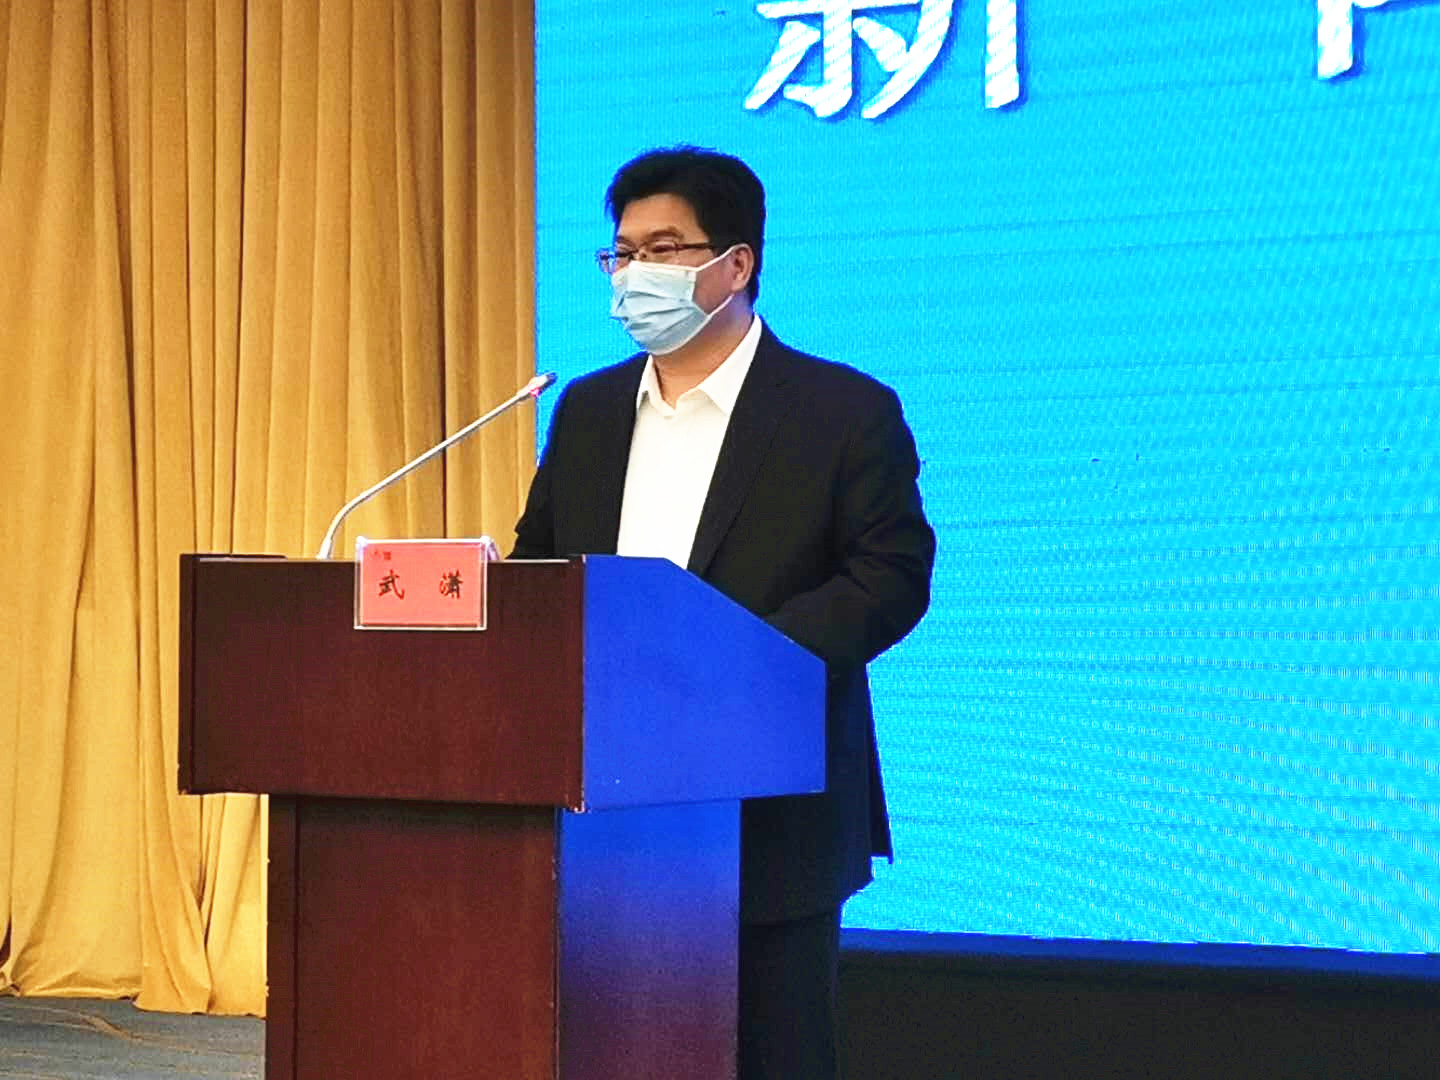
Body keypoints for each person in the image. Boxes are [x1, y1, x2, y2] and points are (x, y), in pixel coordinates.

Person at [512, 146, 935, 1079]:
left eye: (662, 250)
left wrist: (739, 658)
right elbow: (538, 569)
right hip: (602, 800)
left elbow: (891, 576)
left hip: (770, 805)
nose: (634, 274)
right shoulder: (587, 411)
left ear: (736, 264)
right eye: (622, 254)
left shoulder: (842, 409)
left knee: (772, 1053)